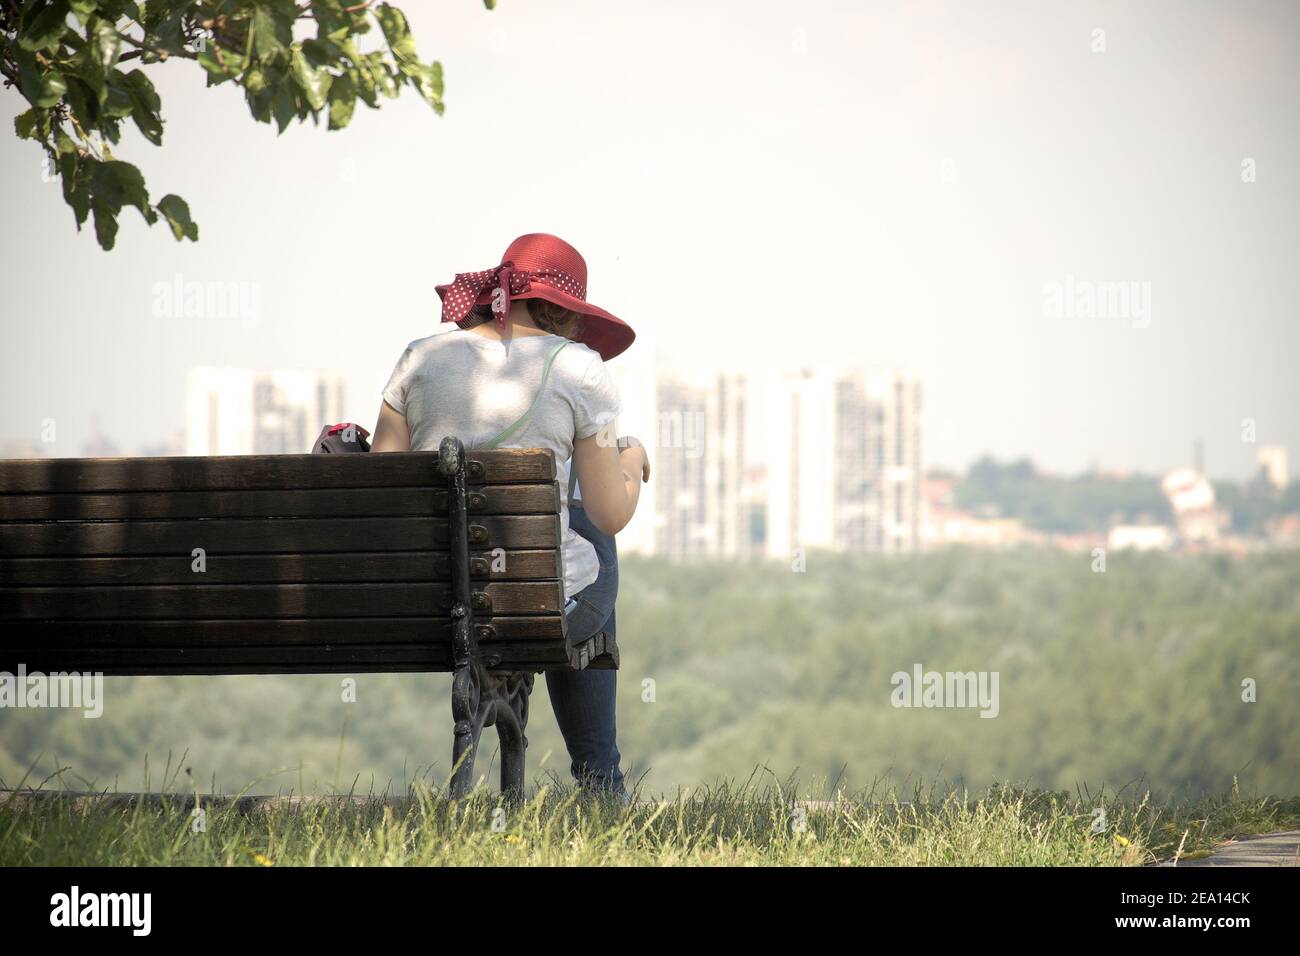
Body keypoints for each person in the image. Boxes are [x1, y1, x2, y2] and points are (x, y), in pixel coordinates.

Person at [370, 233, 648, 797]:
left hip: (429, 609)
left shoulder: (419, 358)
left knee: (567, 540)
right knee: (588, 532)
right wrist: (632, 457)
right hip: (533, 606)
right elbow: (611, 512)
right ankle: (601, 784)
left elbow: (380, 492)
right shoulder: (578, 368)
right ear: (554, 308)